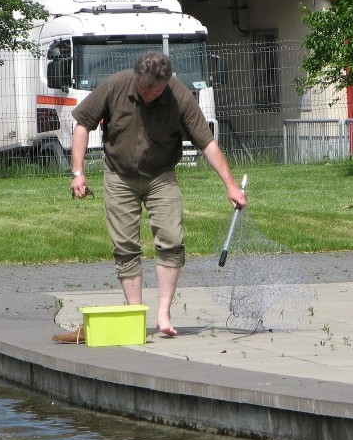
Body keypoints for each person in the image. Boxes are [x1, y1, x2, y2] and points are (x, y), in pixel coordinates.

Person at [64, 50, 247, 339]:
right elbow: (83, 124)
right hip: (120, 176)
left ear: (165, 83)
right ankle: (135, 314)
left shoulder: (179, 95)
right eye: (144, 90)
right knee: (125, 246)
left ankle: (164, 312)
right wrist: (78, 171)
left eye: (156, 91)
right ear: (137, 79)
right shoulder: (115, 86)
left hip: (161, 175)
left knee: (172, 240)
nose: (149, 96)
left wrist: (231, 185)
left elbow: (207, 143)